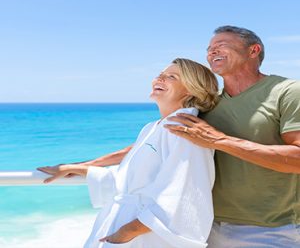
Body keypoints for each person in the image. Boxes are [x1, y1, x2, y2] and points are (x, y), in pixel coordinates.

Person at [41, 25, 300, 247]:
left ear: (253, 50)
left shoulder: (286, 91)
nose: (212, 51)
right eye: (209, 48)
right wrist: (85, 166)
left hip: (269, 229)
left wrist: (219, 141)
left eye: (221, 45)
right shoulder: (209, 108)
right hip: (211, 228)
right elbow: (152, 146)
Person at [38, 58, 219, 248]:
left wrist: (128, 231)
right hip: (126, 225)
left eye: (171, 77)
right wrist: (83, 169)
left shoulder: (186, 129)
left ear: (191, 89)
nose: (160, 79)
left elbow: (185, 190)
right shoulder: (155, 127)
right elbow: (136, 177)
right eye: (160, 75)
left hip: (144, 234)